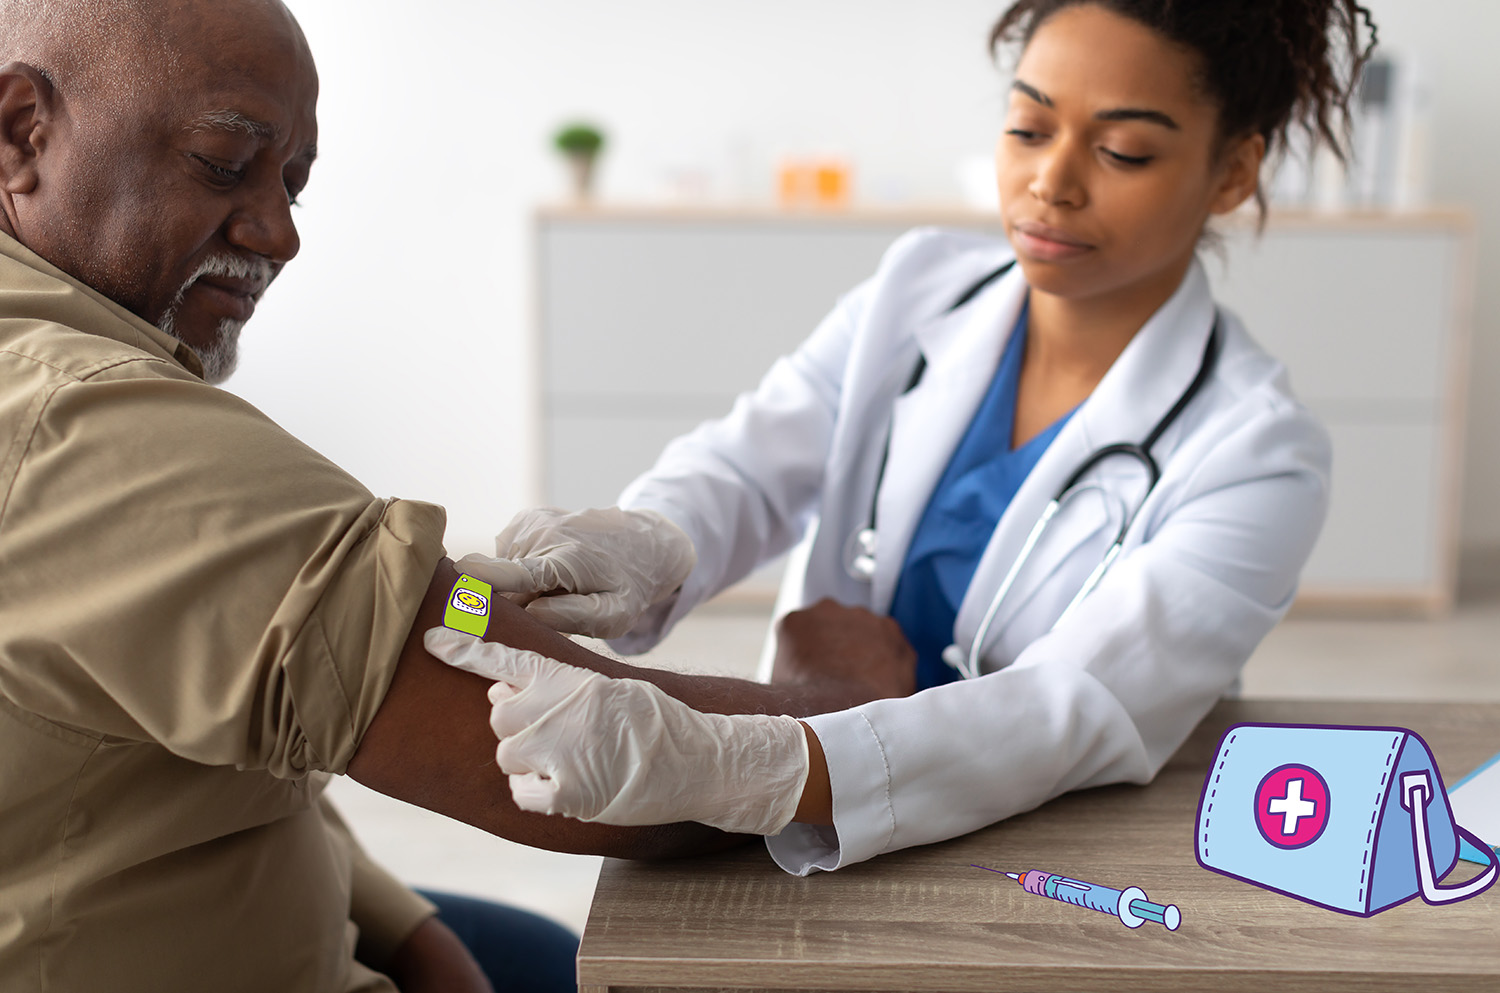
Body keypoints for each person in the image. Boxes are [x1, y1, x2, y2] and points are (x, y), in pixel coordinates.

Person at [0, 2, 908, 990]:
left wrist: (412, 933)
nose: (281, 234)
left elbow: (413, 636)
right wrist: (850, 699)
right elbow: (587, 763)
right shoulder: (83, 426)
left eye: (294, 184)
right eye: (223, 163)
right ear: (20, 132)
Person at [436, 0, 1375, 876]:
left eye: (1122, 150)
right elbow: (754, 462)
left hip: (1042, 855)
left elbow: (1078, 708)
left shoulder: (1260, 456)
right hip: (810, 783)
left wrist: (742, 764)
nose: (1051, 182)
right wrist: (655, 540)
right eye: (1028, 128)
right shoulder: (918, 287)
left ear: (1234, 171)